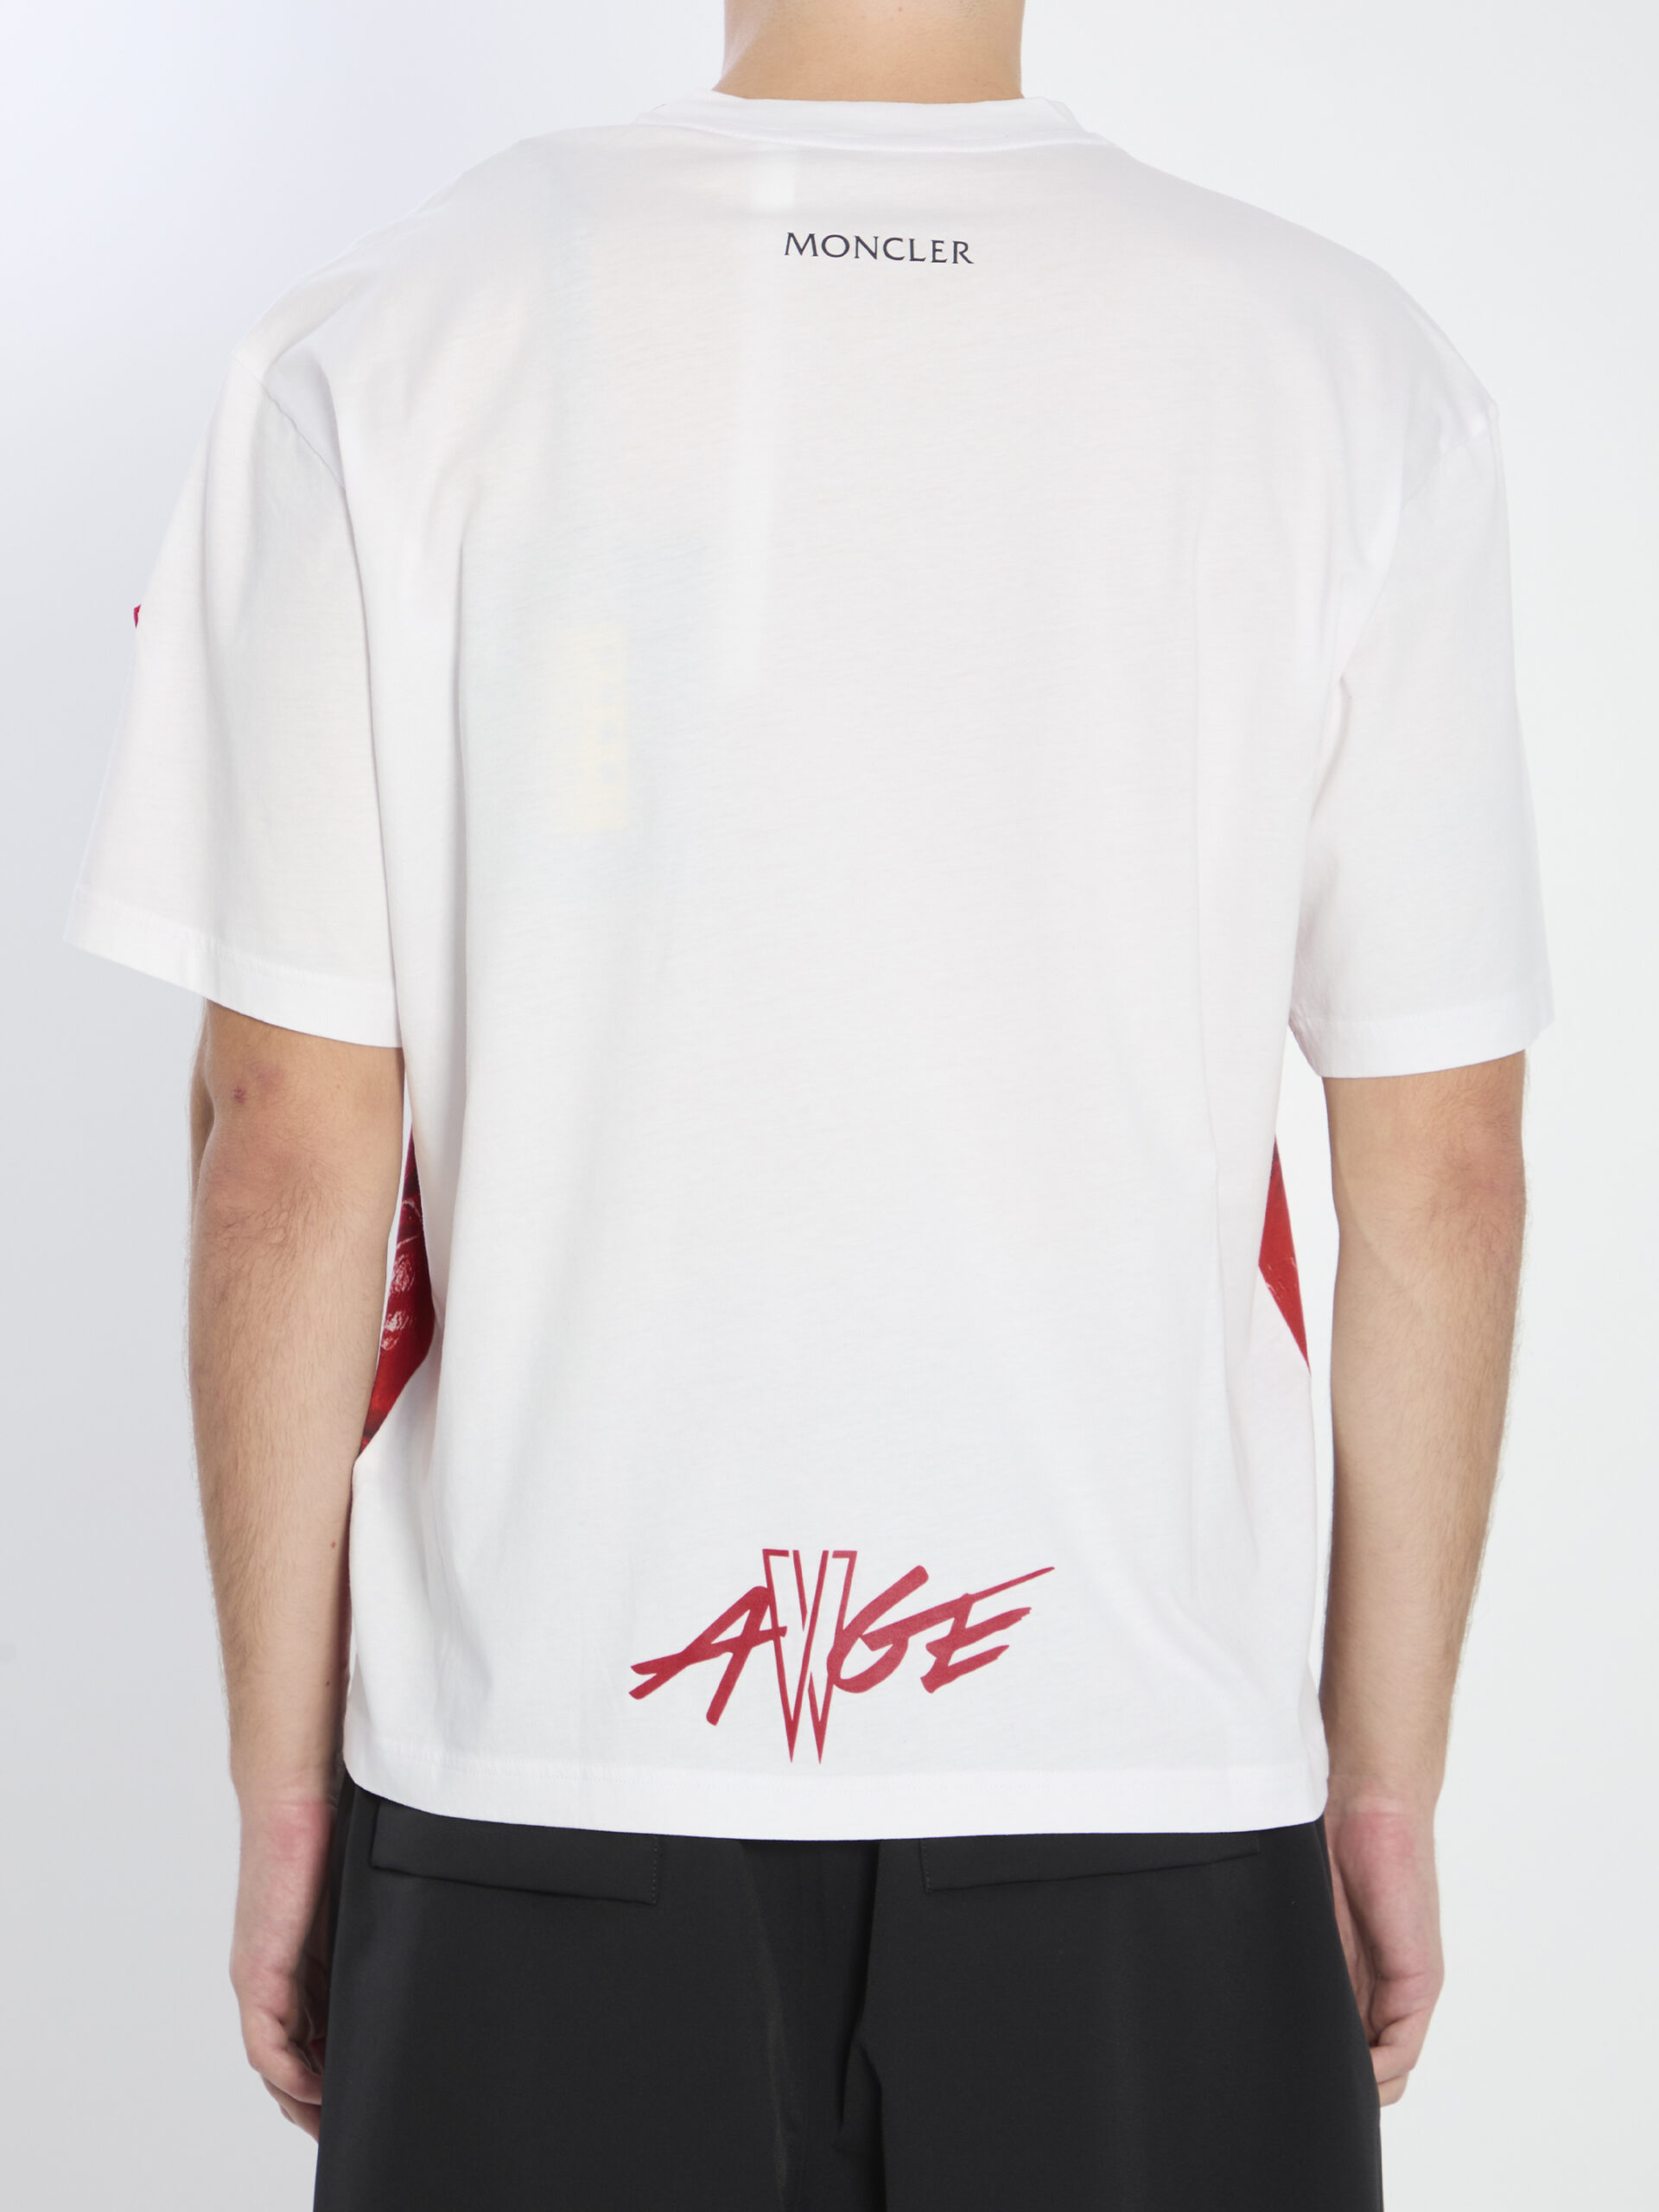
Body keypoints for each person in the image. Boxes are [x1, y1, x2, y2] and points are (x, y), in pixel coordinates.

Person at [68, 0, 1550, 2203]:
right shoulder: (1343, 369)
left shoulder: (386, 341)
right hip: (1139, 1788)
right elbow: (1441, 1166)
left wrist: (288, 1790)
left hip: (544, 1782)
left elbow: (283, 1138)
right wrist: (1386, 1780)